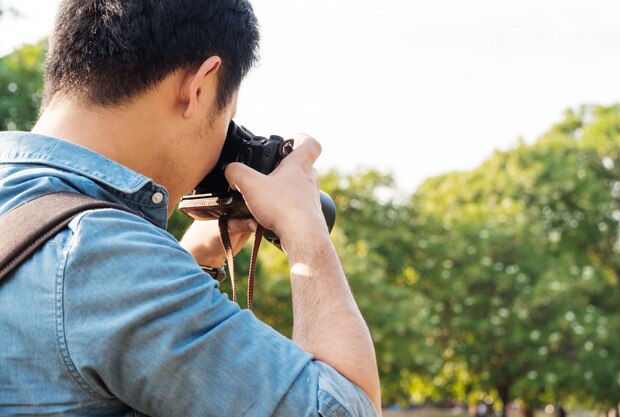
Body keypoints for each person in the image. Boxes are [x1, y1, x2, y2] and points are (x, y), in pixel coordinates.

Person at [0, 1, 381, 416]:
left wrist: (190, 261)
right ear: (198, 85)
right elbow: (345, 408)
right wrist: (304, 225)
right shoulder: (105, 254)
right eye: (227, 117)